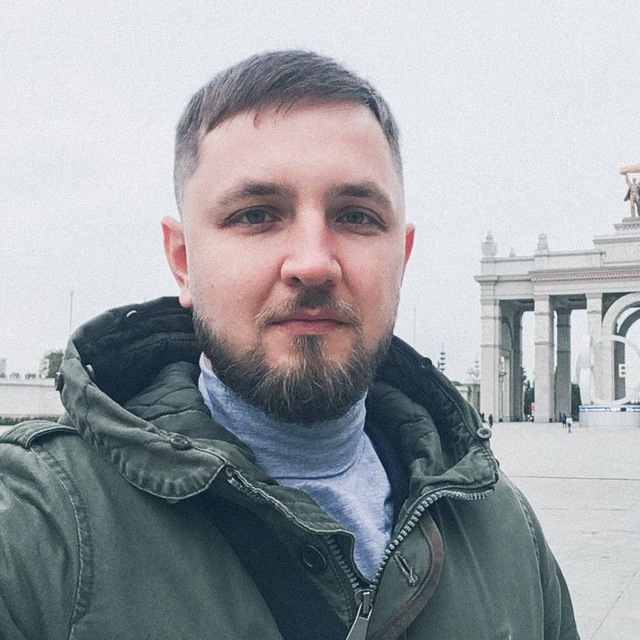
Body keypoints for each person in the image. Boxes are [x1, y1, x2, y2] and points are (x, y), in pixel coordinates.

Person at [0, 51, 579, 639]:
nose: (313, 263)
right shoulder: (35, 532)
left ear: (401, 258)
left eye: (356, 217)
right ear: (182, 261)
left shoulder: (505, 531)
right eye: (256, 215)